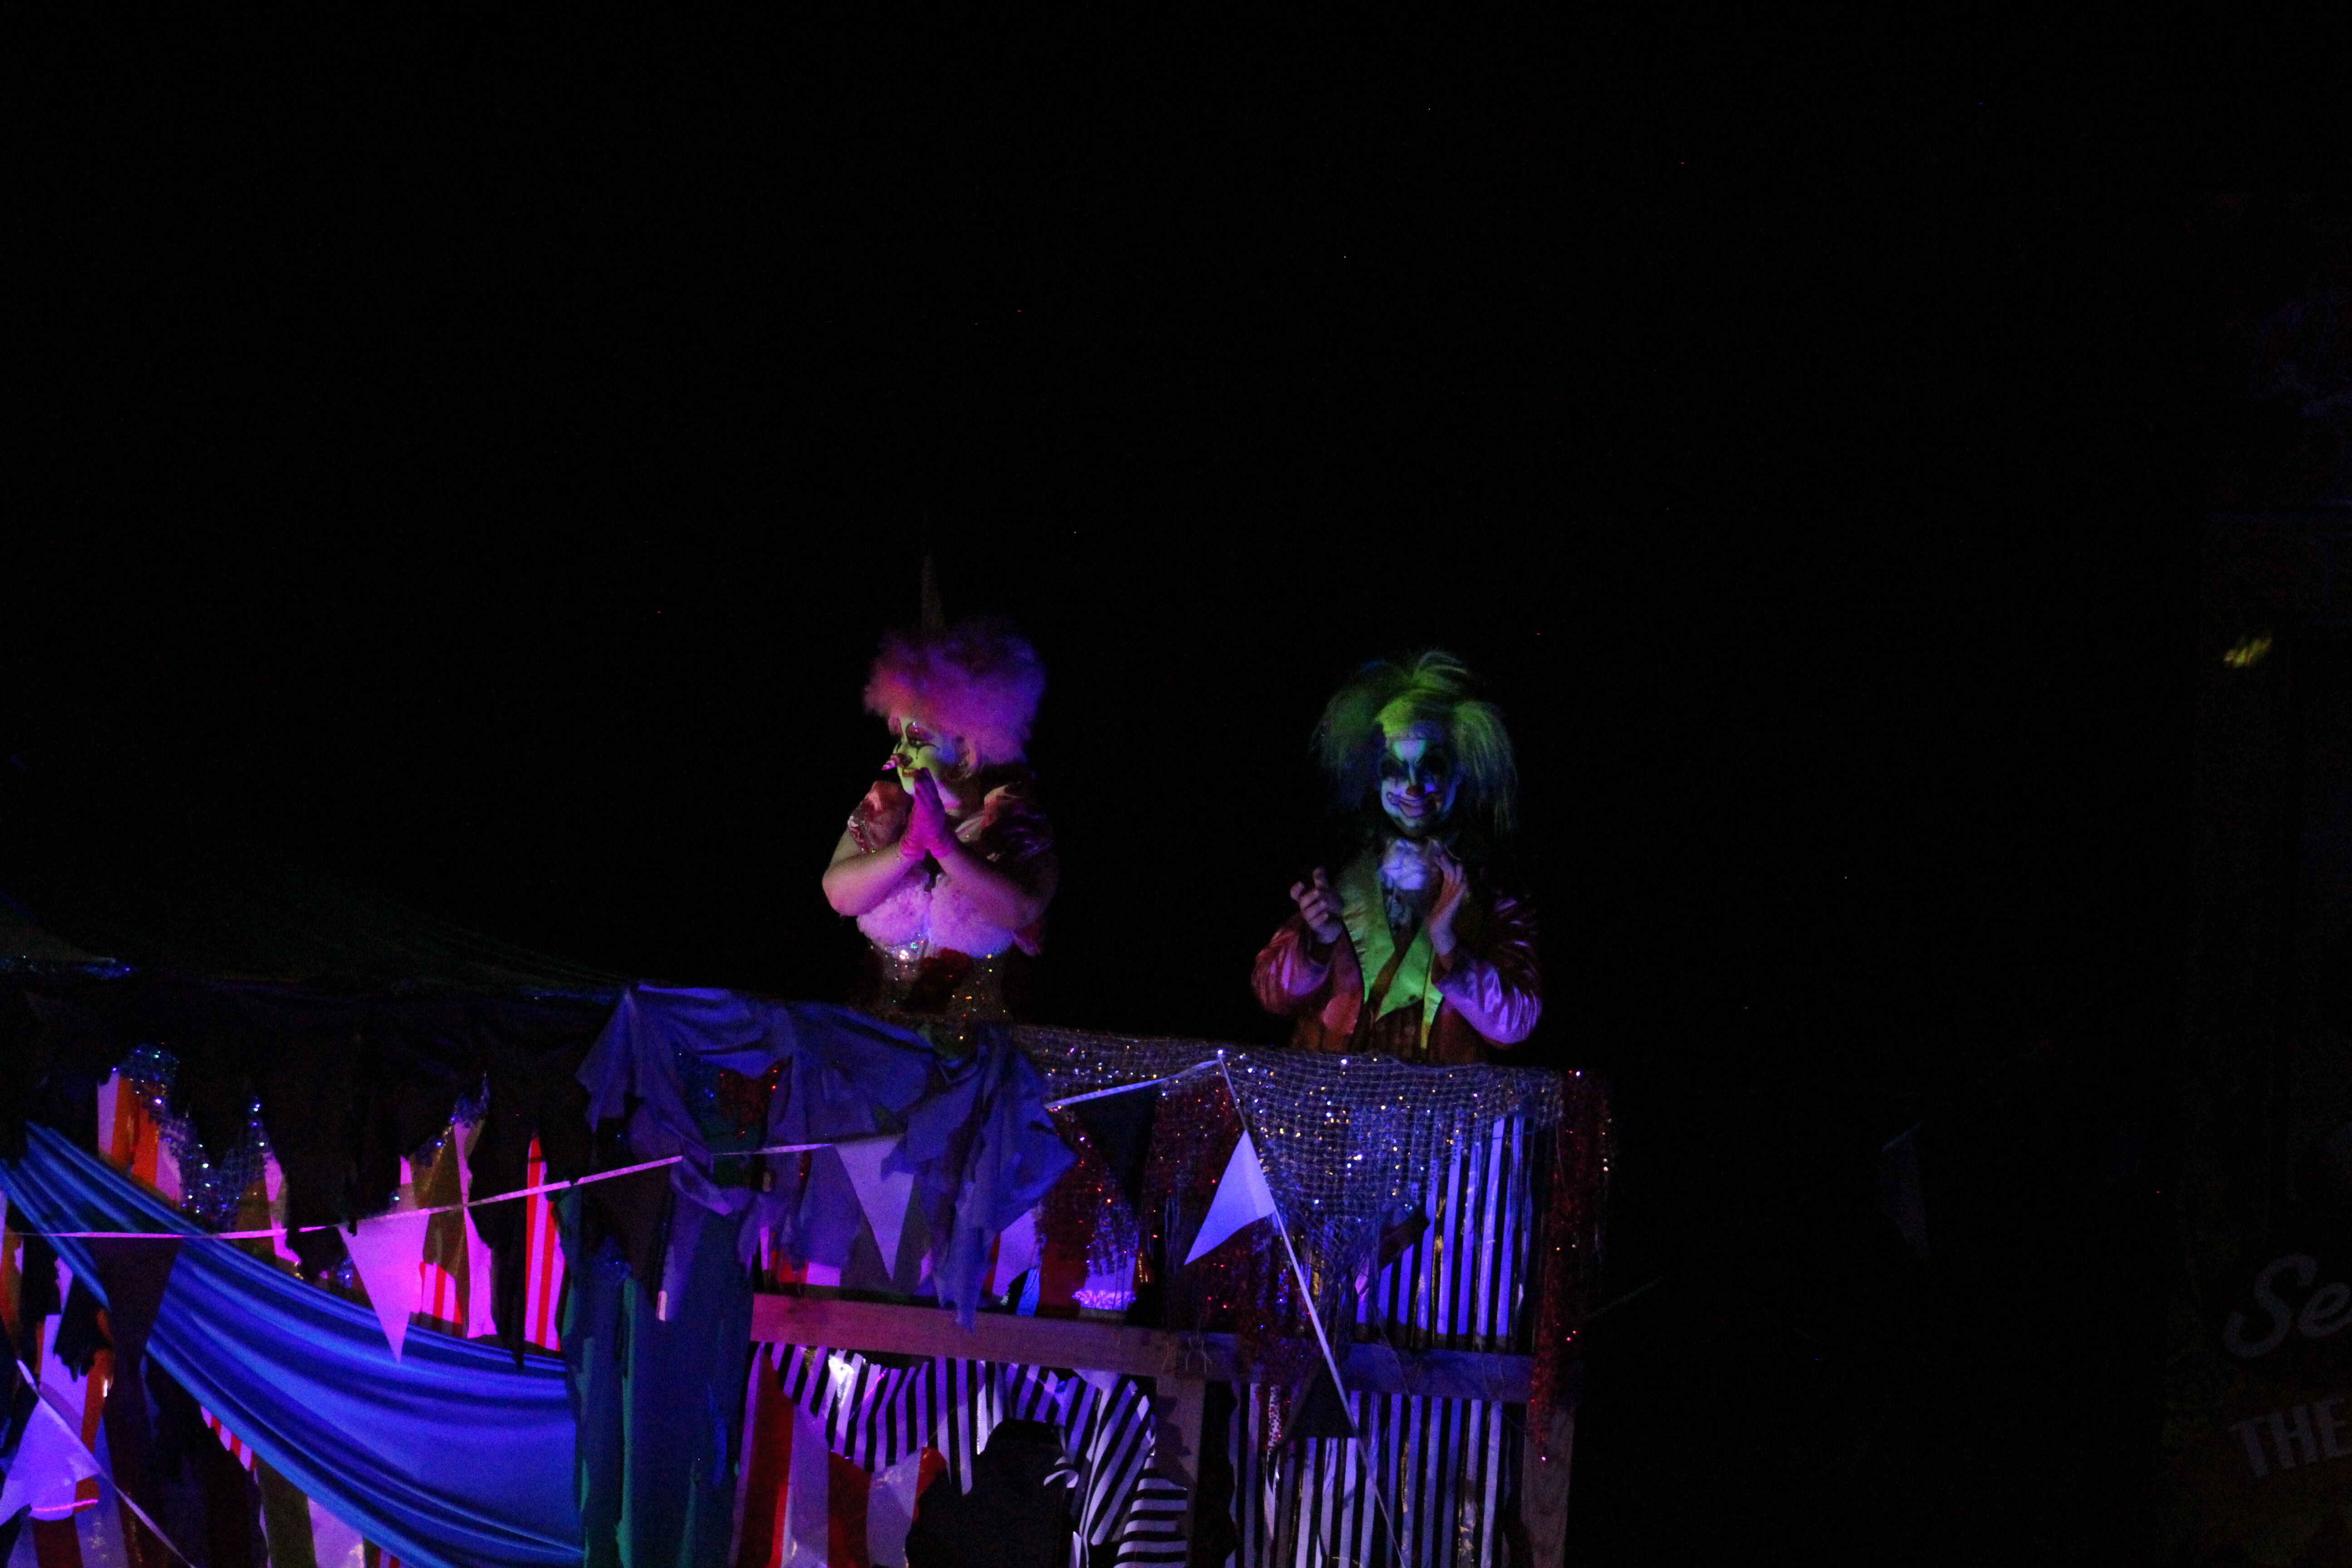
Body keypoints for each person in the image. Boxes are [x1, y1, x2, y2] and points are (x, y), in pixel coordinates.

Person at [1253, 652, 1540, 1063]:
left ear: (1460, 771)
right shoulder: (1338, 873)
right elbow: (1271, 994)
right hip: (1336, 1098)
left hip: (1437, 1102)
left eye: (1431, 765)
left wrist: (1448, 943)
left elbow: (1515, 1024)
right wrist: (1318, 942)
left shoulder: (1495, 890)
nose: (1412, 787)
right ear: (1374, 776)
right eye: (1394, 768)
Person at [823, 617, 1055, 1024]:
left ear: (966, 754)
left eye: (916, 739)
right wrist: (909, 847)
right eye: (899, 738)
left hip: (973, 1049)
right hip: (876, 1037)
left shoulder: (1015, 825)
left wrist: (945, 846)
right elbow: (840, 895)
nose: (898, 755)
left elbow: (1020, 910)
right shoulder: (885, 812)